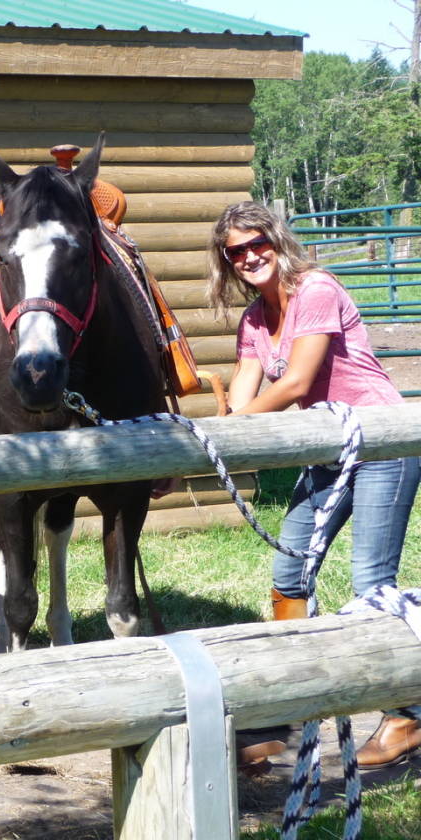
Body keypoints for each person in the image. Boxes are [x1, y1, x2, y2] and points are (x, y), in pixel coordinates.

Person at [209, 201, 421, 769]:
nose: (250, 256)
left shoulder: (317, 289)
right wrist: (198, 450)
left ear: (277, 241)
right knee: (288, 575)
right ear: (226, 261)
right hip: (328, 449)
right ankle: (291, 707)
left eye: (258, 243)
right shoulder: (255, 320)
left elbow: (297, 380)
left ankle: (407, 713)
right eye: (236, 251)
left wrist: (226, 430)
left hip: (381, 440)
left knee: (372, 581)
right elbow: (242, 401)